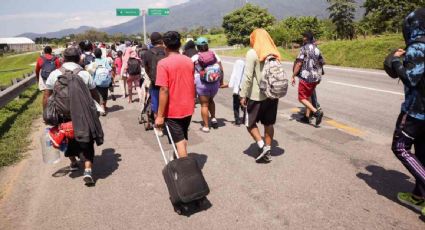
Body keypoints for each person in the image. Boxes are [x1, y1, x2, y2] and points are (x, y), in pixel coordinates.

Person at [43, 47, 103, 185]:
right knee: (87, 141)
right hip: (83, 114)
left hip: (62, 113)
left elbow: (47, 95)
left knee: (66, 138)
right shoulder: (84, 74)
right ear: (78, 58)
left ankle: (73, 162)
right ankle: (87, 170)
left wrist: (46, 113)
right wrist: (96, 108)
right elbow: (94, 93)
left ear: (63, 58)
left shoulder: (54, 74)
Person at [389, 8, 425, 216]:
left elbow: (410, 78)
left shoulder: (417, 47)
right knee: (422, 151)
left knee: (400, 147)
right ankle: (418, 197)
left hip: (415, 110)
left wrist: (395, 61)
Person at [239, 28, 281, 163]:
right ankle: (268, 149)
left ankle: (262, 146)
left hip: (256, 96)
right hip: (272, 94)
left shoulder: (252, 53)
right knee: (268, 123)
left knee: (249, 123)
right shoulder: (274, 51)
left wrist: (242, 95)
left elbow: (247, 77)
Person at [155, 31, 195, 158]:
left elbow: (163, 90)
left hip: (173, 110)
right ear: (180, 44)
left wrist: (160, 116)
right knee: (182, 137)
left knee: (180, 142)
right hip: (188, 107)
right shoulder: (189, 61)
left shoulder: (163, 64)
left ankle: (185, 171)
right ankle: (177, 157)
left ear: (164, 45)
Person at [291, 31, 325, 126]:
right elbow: (322, 62)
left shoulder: (303, 49)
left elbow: (299, 63)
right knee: (308, 95)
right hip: (316, 78)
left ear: (306, 38)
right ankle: (307, 117)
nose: (303, 38)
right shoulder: (317, 49)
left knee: (301, 98)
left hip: (306, 77)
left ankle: (316, 112)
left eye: (304, 37)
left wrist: (293, 75)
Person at [193, 37, 225, 133]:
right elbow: (221, 69)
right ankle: (214, 118)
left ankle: (206, 126)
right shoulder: (214, 54)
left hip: (201, 83)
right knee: (211, 100)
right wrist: (221, 82)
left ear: (197, 46)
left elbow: (190, 70)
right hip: (214, 82)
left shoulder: (195, 57)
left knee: (204, 104)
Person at [144, 32, 166, 133]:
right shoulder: (167, 50)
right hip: (169, 83)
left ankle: (159, 128)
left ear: (152, 41)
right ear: (161, 40)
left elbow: (146, 69)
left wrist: (152, 78)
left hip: (156, 83)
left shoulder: (147, 53)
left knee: (156, 105)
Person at [93, 48, 112, 115]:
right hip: (106, 80)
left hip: (97, 81)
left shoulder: (94, 61)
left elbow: (92, 71)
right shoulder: (105, 60)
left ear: (94, 54)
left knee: (99, 95)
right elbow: (109, 69)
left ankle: (102, 109)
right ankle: (105, 106)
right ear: (101, 54)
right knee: (105, 94)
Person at [228, 59, 245, 126]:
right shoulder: (245, 72)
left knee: (236, 107)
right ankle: (246, 119)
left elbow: (231, 82)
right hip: (243, 92)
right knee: (243, 105)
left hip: (236, 92)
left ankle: (237, 120)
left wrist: (229, 85)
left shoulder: (235, 72)